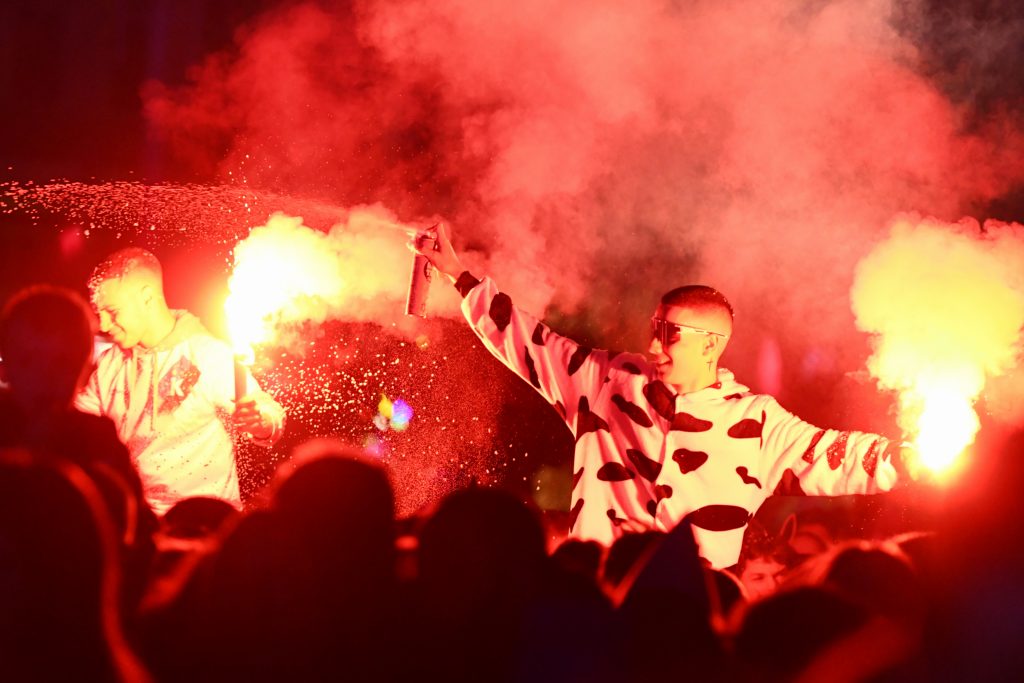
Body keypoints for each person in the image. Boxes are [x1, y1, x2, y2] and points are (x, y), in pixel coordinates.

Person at [414, 225, 918, 568]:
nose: (653, 344)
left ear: (711, 345)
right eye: (655, 328)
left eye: (670, 333)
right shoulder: (605, 381)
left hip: (688, 627)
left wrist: (911, 458)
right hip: (596, 607)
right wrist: (460, 275)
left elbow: (839, 456)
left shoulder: (760, 424)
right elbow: (525, 340)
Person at [75, 247, 285, 515]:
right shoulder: (111, 364)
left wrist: (261, 422)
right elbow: (74, 420)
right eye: (99, 312)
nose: (103, 324)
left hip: (204, 525)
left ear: (147, 297)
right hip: (140, 523)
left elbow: (267, 412)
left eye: (112, 311)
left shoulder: (205, 354)